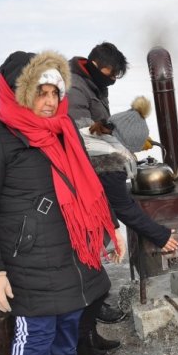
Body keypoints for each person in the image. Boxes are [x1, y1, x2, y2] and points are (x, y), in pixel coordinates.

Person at [0, 50, 125, 355]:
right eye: (41, 92)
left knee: (71, 317)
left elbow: (85, 185)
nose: (51, 101)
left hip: (72, 246)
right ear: (17, 93)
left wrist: (105, 230)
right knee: (34, 333)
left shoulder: (63, 128)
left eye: (55, 92)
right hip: (28, 256)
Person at [78, 96, 178, 355]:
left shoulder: (90, 137)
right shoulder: (109, 158)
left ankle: (88, 337)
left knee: (94, 285)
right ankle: (81, 345)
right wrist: (161, 234)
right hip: (75, 224)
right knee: (90, 286)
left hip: (79, 217)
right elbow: (124, 208)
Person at [67, 42, 129, 338]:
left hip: (95, 165)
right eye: (110, 72)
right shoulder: (75, 87)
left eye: (117, 75)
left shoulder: (93, 84)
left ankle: (94, 301)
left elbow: (99, 125)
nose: (113, 79)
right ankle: (91, 304)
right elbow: (83, 132)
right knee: (89, 238)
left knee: (98, 235)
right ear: (93, 63)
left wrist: (121, 136)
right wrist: (116, 146)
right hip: (82, 171)